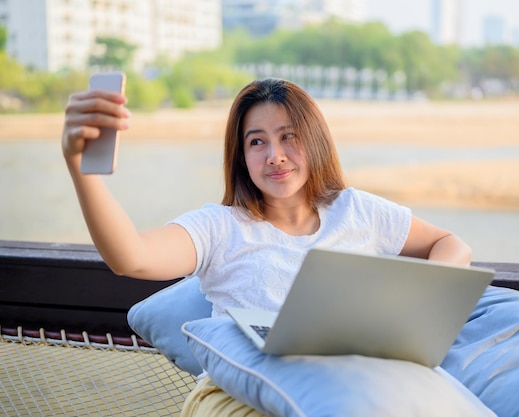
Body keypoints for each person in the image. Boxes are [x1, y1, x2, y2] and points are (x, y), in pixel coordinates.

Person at [62, 77, 472, 413]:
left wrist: (418, 301)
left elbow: (450, 244)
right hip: (238, 395)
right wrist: (83, 172)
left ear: (314, 140)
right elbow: (130, 256)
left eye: (288, 137)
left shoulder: (358, 211)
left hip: (349, 386)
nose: (275, 156)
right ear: (241, 156)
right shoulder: (219, 227)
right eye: (257, 142)